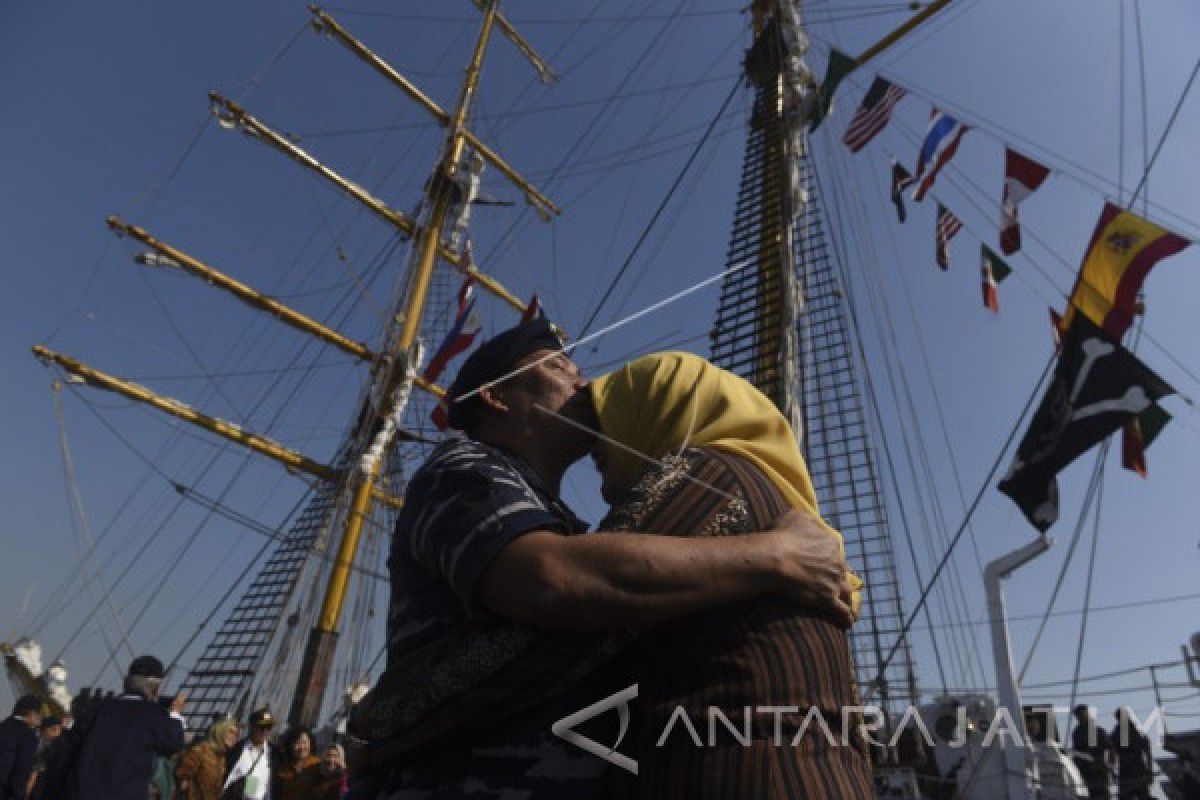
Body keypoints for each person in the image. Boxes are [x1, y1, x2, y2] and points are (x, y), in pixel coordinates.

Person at [352, 322, 860, 798]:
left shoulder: (564, 521)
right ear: (496, 395)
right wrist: (775, 556)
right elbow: (550, 581)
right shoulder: (464, 467)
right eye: (556, 368)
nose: (583, 382)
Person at [586, 351, 872, 797]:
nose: (603, 487)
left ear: (659, 405)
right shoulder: (782, 504)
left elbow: (584, 593)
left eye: (604, 459)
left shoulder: (711, 477)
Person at [45, 655, 186, 800]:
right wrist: (175, 713)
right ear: (154, 688)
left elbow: (65, 753)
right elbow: (174, 744)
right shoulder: (155, 716)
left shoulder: (95, 709)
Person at [176, 716, 239, 800]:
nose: (234, 737)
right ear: (220, 731)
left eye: (236, 734)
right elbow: (182, 779)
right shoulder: (201, 750)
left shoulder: (221, 757)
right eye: (231, 732)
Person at [223, 708, 273, 800]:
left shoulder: (273, 753)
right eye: (261, 727)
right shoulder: (235, 750)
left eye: (268, 727)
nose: (265, 731)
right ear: (251, 726)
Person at [0, 695, 40, 800]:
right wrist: (18, 795)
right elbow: (22, 769)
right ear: (32, 713)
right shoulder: (28, 737)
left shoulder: (3, 726)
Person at [1070, 704, 1112, 800]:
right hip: (1082, 771)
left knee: (1102, 795)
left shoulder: (1098, 731)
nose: (1080, 717)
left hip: (1098, 770)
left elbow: (1110, 748)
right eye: (1078, 715)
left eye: (1082, 714)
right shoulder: (1076, 733)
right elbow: (1076, 751)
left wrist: (1109, 765)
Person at [1111, 706, 1154, 800]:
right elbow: (1111, 753)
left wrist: (1150, 770)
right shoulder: (1116, 734)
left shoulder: (1138, 731)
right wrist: (1112, 770)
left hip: (1139, 772)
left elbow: (1147, 751)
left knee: (1143, 796)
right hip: (1125, 773)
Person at [273, 727, 320, 800]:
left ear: (311, 743)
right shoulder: (282, 769)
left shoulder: (318, 765)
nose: (302, 747)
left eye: (305, 742)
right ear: (290, 746)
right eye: (297, 743)